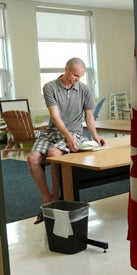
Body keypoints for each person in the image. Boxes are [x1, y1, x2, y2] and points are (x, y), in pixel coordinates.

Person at [27, 57, 106, 223]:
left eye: (80, 76)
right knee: (32, 158)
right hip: (53, 132)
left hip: (75, 132)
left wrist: (95, 135)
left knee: (54, 153)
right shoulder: (50, 87)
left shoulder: (84, 89)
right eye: (75, 75)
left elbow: (89, 116)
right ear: (66, 69)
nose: (77, 79)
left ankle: (56, 197)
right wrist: (66, 136)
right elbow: (54, 116)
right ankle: (47, 200)